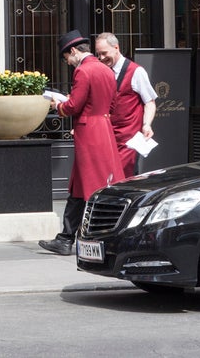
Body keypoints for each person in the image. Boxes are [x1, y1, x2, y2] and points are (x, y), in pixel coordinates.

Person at [38, 30, 121, 256]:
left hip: (89, 132)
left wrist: (58, 105)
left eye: (66, 58)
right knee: (81, 185)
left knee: (92, 187)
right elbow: (112, 105)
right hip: (103, 128)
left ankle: (92, 237)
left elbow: (73, 105)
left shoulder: (83, 70)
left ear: (73, 51)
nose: (68, 62)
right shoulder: (106, 70)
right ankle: (65, 238)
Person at [95, 32, 157, 178]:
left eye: (104, 53)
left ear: (116, 48)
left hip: (128, 140)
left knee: (122, 179)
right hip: (106, 137)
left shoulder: (136, 71)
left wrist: (147, 124)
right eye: (98, 54)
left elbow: (150, 102)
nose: (101, 58)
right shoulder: (102, 71)